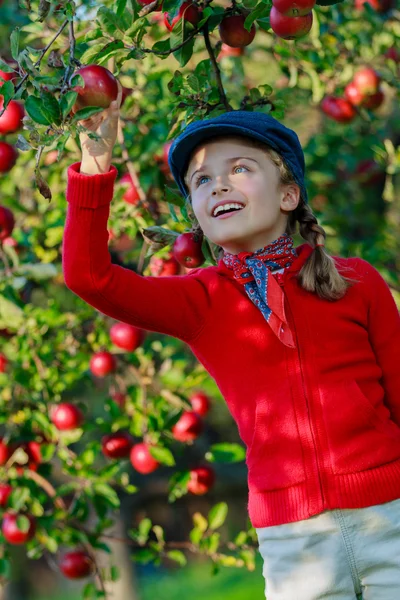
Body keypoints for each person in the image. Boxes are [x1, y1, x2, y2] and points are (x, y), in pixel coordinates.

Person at [63, 81, 400, 600]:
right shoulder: (202, 301)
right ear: (197, 214)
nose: (218, 185)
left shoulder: (356, 282)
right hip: (295, 539)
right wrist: (94, 168)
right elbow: (90, 278)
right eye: (201, 181)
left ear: (289, 194)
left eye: (240, 169)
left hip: (390, 512)